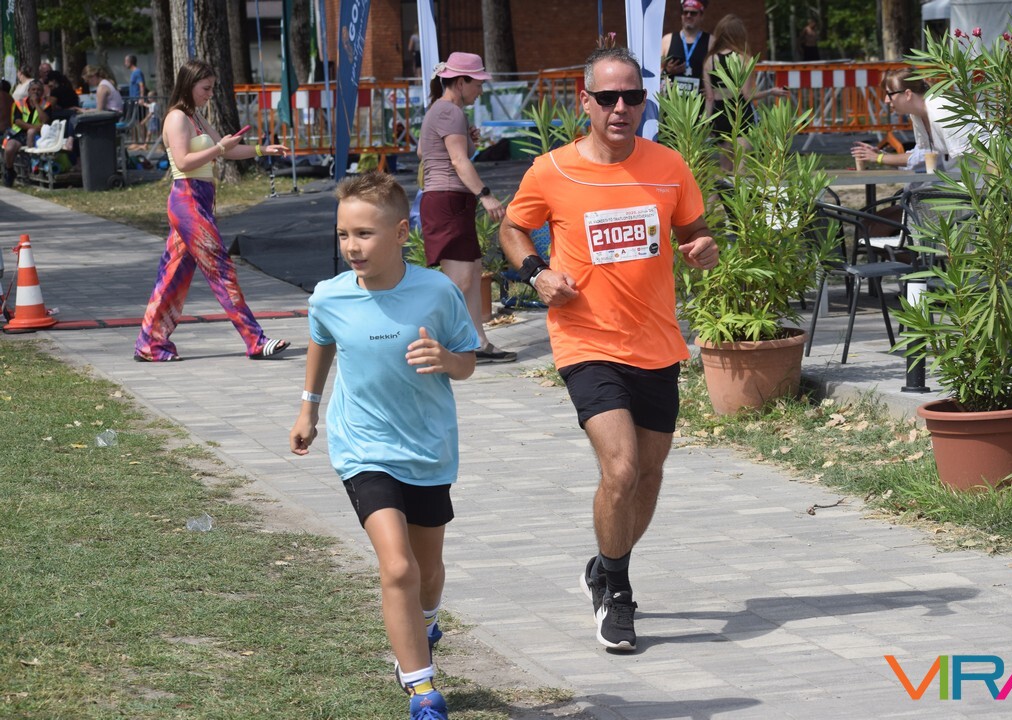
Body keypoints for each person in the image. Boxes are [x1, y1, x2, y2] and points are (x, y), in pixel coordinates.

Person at [499, 46, 719, 652]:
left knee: (648, 474)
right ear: (586, 102)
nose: (621, 108)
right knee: (620, 467)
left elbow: (694, 229)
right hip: (585, 340)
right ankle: (617, 594)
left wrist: (702, 247)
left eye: (632, 96)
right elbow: (512, 227)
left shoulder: (668, 165)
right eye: (608, 97)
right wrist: (536, 272)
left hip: (656, 342)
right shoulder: (552, 170)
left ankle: (604, 564)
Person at [290, 172, 478, 720]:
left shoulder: (436, 292)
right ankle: (422, 689)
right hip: (363, 448)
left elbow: (467, 360)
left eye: (365, 234)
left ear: (400, 233)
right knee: (397, 567)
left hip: (427, 449)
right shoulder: (329, 296)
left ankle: (424, 622)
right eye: (343, 234)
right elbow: (321, 340)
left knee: (428, 571)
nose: (352, 246)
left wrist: (446, 360)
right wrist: (308, 409)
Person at [133, 59, 291, 362]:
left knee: (173, 274)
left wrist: (262, 150)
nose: (210, 94)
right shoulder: (177, 118)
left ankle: (149, 343)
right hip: (188, 200)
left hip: (198, 201)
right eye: (206, 88)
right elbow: (183, 162)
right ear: (189, 84)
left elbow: (228, 149)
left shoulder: (195, 116)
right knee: (221, 269)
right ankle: (255, 340)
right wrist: (219, 149)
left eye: (212, 88)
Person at [417, 51, 516, 364]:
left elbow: (423, 151)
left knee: (471, 272)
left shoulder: (443, 110)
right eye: (478, 83)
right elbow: (459, 162)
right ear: (460, 82)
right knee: (459, 280)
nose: (481, 90)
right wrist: (486, 195)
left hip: (450, 200)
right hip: (447, 199)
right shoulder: (450, 112)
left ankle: (478, 342)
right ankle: (437, 341)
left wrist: (465, 139)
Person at [850, 67, 978, 173]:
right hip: (957, 182)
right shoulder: (918, 115)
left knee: (912, 193)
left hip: (976, 186)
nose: (886, 100)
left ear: (908, 94)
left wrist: (879, 158)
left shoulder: (941, 109)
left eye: (890, 94)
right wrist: (880, 155)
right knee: (910, 192)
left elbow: (978, 153)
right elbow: (923, 156)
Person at [703, 14, 788, 165]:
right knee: (742, 164)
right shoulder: (744, 59)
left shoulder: (710, 60)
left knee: (725, 166)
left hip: (720, 114)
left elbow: (709, 98)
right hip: (740, 113)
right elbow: (747, 95)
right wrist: (770, 91)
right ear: (740, 35)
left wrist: (705, 123)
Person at [3, 80, 49, 187]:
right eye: (33, 89)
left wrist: (36, 104)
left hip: (38, 135)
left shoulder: (46, 104)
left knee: (31, 133)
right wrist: (32, 127)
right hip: (19, 133)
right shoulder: (20, 103)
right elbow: (17, 121)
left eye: (38, 90)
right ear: (28, 91)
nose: (36, 92)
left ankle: (30, 173)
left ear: (42, 92)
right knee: (9, 148)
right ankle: (9, 171)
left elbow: (45, 120)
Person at [660, 0, 711, 95]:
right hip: (672, 100)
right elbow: (656, 71)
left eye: (693, 13)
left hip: (699, 101)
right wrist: (667, 71)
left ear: (701, 16)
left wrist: (712, 89)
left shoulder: (711, 41)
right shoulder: (667, 40)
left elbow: (719, 71)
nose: (688, 16)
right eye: (685, 12)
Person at [124, 54, 147, 144]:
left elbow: (141, 85)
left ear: (130, 62)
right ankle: (135, 142)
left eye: (126, 61)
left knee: (140, 122)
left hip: (138, 100)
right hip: (133, 100)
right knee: (133, 122)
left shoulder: (137, 72)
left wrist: (141, 98)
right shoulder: (133, 73)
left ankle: (144, 142)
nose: (125, 63)